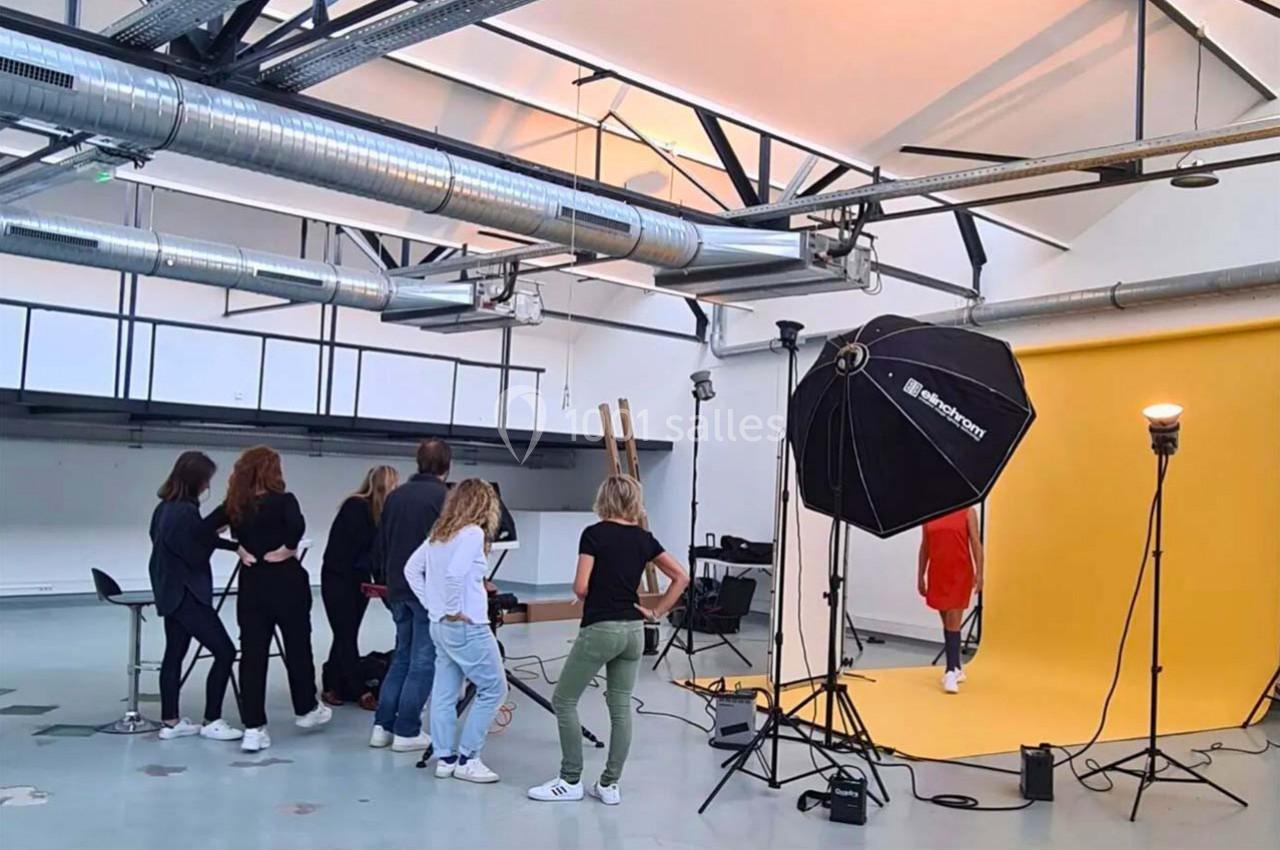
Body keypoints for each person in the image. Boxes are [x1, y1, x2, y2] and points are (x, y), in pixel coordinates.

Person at [528, 475, 689, 806]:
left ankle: (570, 779)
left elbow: (581, 587)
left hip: (601, 628)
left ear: (604, 499)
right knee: (620, 707)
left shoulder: (594, 534)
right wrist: (656, 612)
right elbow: (681, 576)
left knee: (564, 701)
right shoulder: (644, 539)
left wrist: (593, 590)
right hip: (633, 632)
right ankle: (610, 784)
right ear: (634, 500)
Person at [219, 446, 330, 752]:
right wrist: (287, 549)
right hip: (287, 583)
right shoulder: (285, 501)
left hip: (252, 584)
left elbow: (202, 531)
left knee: (252, 655)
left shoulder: (235, 505)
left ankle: (253, 727)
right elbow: (297, 527)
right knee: (297, 646)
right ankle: (306, 708)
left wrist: (237, 549)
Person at [407, 478, 507, 784]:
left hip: (440, 626)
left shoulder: (439, 535)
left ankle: (445, 757)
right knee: (494, 688)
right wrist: (450, 608)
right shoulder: (472, 533)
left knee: (445, 692)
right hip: (466, 626)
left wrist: (433, 606)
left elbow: (411, 570)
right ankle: (468, 758)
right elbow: (454, 576)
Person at [149, 451, 243, 742]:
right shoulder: (184, 512)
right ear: (195, 480)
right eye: (206, 480)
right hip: (187, 594)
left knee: (174, 654)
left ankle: (171, 720)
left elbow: (186, 541)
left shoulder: (164, 508)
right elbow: (195, 551)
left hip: (170, 591)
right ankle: (212, 719)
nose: (207, 486)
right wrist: (223, 539)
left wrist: (222, 541)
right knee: (225, 651)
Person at [369, 438, 450, 752]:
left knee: (401, 658)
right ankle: (407, 730)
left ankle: (382, 726)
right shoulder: (445, 498)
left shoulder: (395, 497)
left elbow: (382, 545)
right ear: (447, 465)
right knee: (422, 661)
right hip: (426, 592)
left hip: (397, 589)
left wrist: (385, 585)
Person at [320, 465, 399, 709]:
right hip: (338, 578)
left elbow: (375, 556)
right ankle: (359, 690)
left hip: (358, 579)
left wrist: (383, 588)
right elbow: (361, 551)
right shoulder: (355, 507)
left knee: (347, 632)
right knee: (345, 633)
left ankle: (332, 682)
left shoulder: (381, 513)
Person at [918, 506, 984, 694]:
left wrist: (980, 573)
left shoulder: (968, 512)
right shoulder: (929, 514)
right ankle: (957, 668)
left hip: (960, 573)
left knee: (953, 620)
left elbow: (975, 543)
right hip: (938, 573)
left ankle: (949, 672)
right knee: (947, 622)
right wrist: (920, 575)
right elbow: (925, 546)